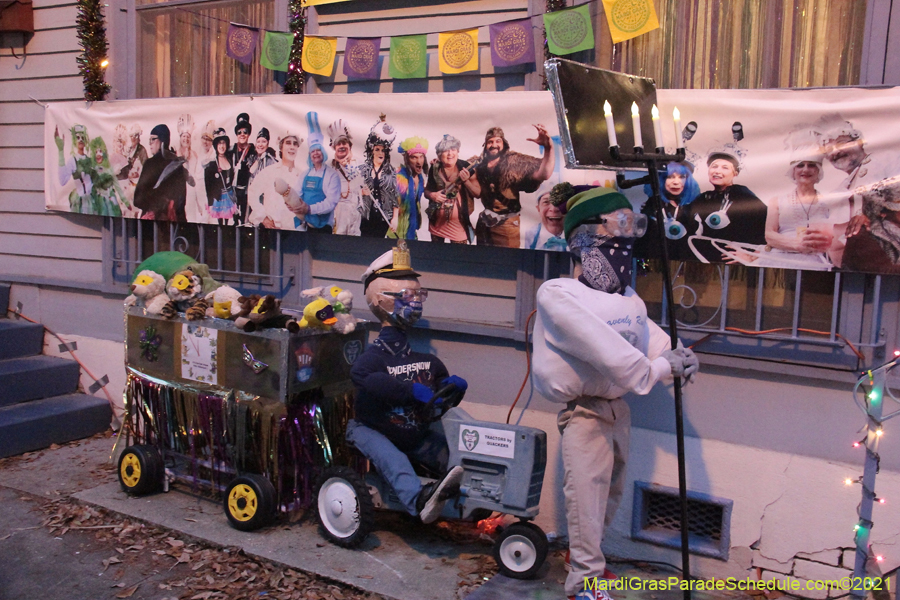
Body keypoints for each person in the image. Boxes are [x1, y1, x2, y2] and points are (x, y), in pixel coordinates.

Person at [531, 187, 698, 600]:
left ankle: (585, 559)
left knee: (611, 493)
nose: (625, 245)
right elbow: (618, 357)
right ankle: (583, 585)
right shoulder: (558, 295)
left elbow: (647, 339)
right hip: (584, 412)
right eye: (616, 232)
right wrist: (659, 368)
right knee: (586, 496)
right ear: (583, 239)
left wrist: (677, 356)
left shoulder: (627, 298)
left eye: (631, 232)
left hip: (617, 409)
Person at [346, 242, 466, 523]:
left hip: (413, 435)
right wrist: (410, 390)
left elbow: (438, 389)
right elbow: (362, 376)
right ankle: (418, 500)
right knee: (393, 460)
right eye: (406, 295)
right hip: (371, 429)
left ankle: (465, 499)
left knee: (451, 454)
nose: (414, 302)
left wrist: (451, 389)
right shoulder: (373, 359)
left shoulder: (427, 361)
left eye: (418, 294)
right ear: (381, 300)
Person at [814, 113, 900, 272]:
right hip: (849, 274)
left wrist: (872, 216)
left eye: (841, 144)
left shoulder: (888, 159)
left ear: (859, 142)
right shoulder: (839, 191)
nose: (836, 152)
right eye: (829, 149)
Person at [468, 125, 554, 247]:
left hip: (507, 224)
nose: (494, 144)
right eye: (490, 142)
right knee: (483, 261)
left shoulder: (515, 162)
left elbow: (544, 174)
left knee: (507, 262)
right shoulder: (479, 164)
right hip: (484, 224)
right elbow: (457, 170)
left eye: (498, 141)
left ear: (504, 144)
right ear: (485, 145)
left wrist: (548, 147)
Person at [759, 138, 835, 269]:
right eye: (800, 165)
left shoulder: (829, 202)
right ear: (793, 171)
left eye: (811, 165)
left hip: (815, 261)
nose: (805, 169)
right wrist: (797, 245)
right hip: (779, 259)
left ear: (818, 172)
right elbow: (769, 235)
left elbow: (835, 236)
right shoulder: (777, 201)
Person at [683, 148, 767, 262]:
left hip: (733, 266)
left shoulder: (742, 194)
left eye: (725, 168)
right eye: (714, 166)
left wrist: (751, 256)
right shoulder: (703, 198)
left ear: (735, 173)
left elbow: (768, 228)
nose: (717, 171)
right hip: (705, 261)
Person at [286, 112, 341, 233]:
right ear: (309, 155)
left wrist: (309, 209)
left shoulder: (332, 175)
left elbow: (331, 203)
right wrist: (291, 203)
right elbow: (297, 193)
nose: (315, 153)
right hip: (305, 224)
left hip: (323, 226)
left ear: (323, 153)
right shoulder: (305, 174)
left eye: (318, 150)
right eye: (312, 151)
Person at [635, 161, 700, 261]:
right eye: (670, 177)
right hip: (656, 261)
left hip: (686, 260)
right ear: (661, 180)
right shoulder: (652, 205)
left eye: (681, 177)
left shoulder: (694, 206)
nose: (676, 182)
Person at [424, 134, 477, 244]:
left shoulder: (467, 167)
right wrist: (432, 195)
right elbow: (426, 191)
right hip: (436, 225)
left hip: (459, 225)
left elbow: (478, 193)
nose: (450, 154)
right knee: (436, 257)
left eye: (453, 149)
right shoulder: (434, 168)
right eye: (445, 150)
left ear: (458, 151)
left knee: (459, 258)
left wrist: (466, 181)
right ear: (439, 154)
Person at [248, 131, 304, 229]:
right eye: (288, 143)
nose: (292, 147)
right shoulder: (269, 171)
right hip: (272, 230)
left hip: (294, 231)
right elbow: (252, 194)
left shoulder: (302, 176)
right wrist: (263, 218)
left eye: (295, 144)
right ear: (281, 147)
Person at [134, 124, 188, 222]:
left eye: (153, 139)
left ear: (163, 140)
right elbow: (180, 204)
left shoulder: (150, 164)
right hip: (173, 226)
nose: (150, 143)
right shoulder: (178, 165)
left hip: (152, 224)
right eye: (149, 140)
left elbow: (138, 199)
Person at [359, 115, 400, 238]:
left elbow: (395, 197)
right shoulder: (362, 170)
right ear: (372, 151)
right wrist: (361, 192)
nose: (380, 153)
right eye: (377, 149)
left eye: (383, 150)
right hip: (364, 217)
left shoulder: (391, 172)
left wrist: (395, 219)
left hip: (383, 218)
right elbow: (353, 192)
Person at [327, 119, 366, 236]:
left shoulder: (359, 163)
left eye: (344, 143)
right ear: (334, 147)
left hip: (355, 209)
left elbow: (362, 184)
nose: (341, 146)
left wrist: (346, 165)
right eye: (338, 144)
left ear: (350, 145)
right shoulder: (329, 165)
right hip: (338, 210)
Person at [396, 137, 429, 240]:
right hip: (397, 230)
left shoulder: (420, 178)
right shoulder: (399, 177)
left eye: (421, 157)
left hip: (412, 229)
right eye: (414, 157)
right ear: (407, 159)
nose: (419, 162)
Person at [176, 114, 207, 224]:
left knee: (192, 219)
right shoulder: (175, 154)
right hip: (179, 191)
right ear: (180, 138)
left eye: (188, 137)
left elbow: (197, 177)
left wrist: (199, 202)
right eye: (184, 136)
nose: (186, 139)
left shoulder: (194, 155)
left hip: (192, 192)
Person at [228, 113, 258, 225]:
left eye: (245, 132)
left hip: (247, 193)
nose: (242, 134)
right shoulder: (230, 150)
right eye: (239, 132)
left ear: (249, 134)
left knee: (246, 222)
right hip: (232, 193)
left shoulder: (254, 151)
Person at [204, 128, 236, 225]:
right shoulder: (212, 164)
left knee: (228, 221)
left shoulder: (230, 160)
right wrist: (210, 202)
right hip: (218, 197)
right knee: (220, 222)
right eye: (219, 143)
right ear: (216, 145)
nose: (222, 146)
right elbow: (208, 185)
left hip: (229, 195)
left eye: (224, 143)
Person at [522, 182, 567, 251]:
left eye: (560, 202)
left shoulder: (578, 234)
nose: (554, 209)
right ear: (538, 209)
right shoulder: (528, 236)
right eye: (546, 202)